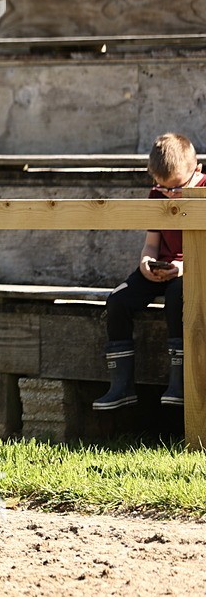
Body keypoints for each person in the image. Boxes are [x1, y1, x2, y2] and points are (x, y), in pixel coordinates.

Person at [94, 133, 204, 410]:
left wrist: (184, 266)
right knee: (118, 300)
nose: (170, 194)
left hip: (197, 268)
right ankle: (121, 387)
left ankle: (180, 383)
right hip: (164, 267)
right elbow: (152, 244)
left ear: (197, 170)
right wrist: (146, 262)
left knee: (178, 294)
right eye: (163, 187)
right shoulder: (157, 194)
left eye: (177, 188)